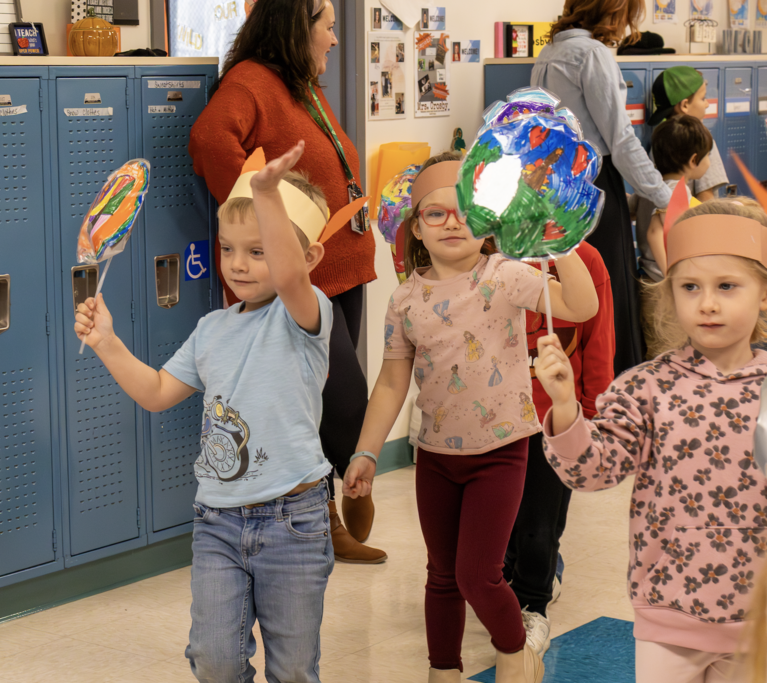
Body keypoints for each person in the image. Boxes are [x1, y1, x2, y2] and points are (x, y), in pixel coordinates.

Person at [75, 143, 352, 682]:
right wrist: (108, 343)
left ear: (308, 257)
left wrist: (267, 192)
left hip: (293, 521)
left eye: (259, 250)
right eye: (228, 249)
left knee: (294, 670)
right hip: (218, 522)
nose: (238, 265)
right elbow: (156, 391)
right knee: (214, 661)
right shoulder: (212, 330)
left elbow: (291, 278)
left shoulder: (305, 315)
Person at [346, 152, 599, 683]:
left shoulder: (506, 275)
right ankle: (444, 671)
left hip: (502, 451)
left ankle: (515, 656)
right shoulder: (406, 300)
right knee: (441, 576)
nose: (453, 221)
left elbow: (580, 304)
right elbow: (392, 382)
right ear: (416, 228)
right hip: (435, 456)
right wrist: (367, 451)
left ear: (489, 225)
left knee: (477, 574)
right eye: (435, 213)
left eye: (465, 211)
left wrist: (559, 240)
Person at [535, 198, 767, 683]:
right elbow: (593, 471)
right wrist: (563, 407)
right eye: (689, 287)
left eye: (727, 286)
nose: (707, 303)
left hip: (758, 621)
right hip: (668, 612)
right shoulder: (645, 387)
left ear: (763, 294)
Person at [189, 0, 384, 563]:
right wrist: (260, 227)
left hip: (344, 269)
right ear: (298, 26)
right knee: (344, 401)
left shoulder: (300, 84)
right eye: (328, 27)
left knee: (326, 402)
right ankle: (343, 491)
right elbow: (209, 141)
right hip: (304, 283)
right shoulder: (251, 82)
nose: (335, 39)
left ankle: (331, 509)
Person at [532, 0, 672, 375]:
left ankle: (581, 393)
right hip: (595, 182)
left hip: (558, 183)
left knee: (576, 291)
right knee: (609, 292)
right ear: (612, 11)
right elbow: (621, 140)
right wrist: (665, 197)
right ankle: (617, 390)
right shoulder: (591, 54)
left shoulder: (550, 52)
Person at [503, 241, 616, 657]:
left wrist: (591, 410)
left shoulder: (583, 258)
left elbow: (598, 337)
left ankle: (534, 600)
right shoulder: (483, 251)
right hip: (495, 412)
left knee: (541, 521)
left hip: (553, 414)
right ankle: (512, 579)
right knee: (505, 517)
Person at [635, 116, 713, 355]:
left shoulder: (651, 189)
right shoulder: (674, 193)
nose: (709, 161)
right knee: (669, 352)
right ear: (693, 160)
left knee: (663, 351)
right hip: (662, 288)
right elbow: (654, 232)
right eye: (707, 155)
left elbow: (632, 211)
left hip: (649, 281)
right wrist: (673, 277)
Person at [648, 66, 729, 202]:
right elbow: (706, 198)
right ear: (684, 105)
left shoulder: (658, 140)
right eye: (703, 98)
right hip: (690, 220)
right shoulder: (701, 140)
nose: (707, 104)